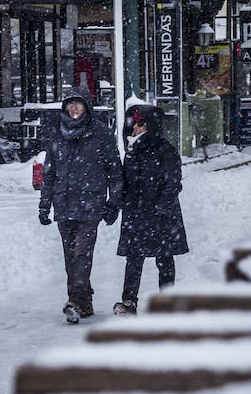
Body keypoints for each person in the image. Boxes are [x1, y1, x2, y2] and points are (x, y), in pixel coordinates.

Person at [38, 85, 123, 324]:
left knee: (82, 253)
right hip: (64, 204)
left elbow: (114, 171)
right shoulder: (57, 133)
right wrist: (45, 204)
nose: (74, 108)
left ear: (87, 106)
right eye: (70, 103)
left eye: (79, 103)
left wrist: (113, 203)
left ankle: (74, 301)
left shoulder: (100, 133)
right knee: (70, 257)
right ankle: (84, 302)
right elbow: (49, 173)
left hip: (90, 204)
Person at [113, 104, 189, 316]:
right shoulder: (131, 150)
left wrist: (162, 204)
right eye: (134, 124)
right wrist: (117, 202)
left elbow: (173, 182)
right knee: (134, 259)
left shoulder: (165, 150)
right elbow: (126, 182)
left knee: (164, 257)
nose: (136, 128)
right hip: (136, 213)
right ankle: (129, 301)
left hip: (160, 214)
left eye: (141, 124)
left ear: (151, 126)